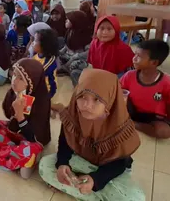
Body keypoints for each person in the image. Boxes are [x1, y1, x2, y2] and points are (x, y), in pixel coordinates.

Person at [40, 69, 144, 201]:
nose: (87, 105)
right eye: (82, 97)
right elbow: (65, 142)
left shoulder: (118, 124)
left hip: (110, 169)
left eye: (97, 100)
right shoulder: (72, 115)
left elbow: (119, 163)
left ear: (110, 101)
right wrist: (62, 164)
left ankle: (82, 189)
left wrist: (95, 180)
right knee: (45, 165)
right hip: (82, 159)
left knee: (136, 198)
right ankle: (86, 191)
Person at [0, 59, 51, 179]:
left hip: (31, 140)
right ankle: (8, 151)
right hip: (12, 132)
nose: (14, 80)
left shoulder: (41, 101)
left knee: (28, 151)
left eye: (21, 78)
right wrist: (14, 106)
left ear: (32, 82)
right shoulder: (13, 92)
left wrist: (20, 116)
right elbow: (8, 117)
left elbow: (33, 137)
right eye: (14, 74)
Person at [121, 40, 170, 139]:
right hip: (131, 111)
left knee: (163, 132)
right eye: (135, 54)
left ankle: (131, 124)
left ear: (154, 62)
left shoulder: (166, 82)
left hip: (153, 117)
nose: (134, 59)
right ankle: (127, 121)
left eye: (139, 56)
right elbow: (117, 91)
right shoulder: (129, 75)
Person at [59, 11, 92, 86]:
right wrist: (60, 52)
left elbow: (88, 52)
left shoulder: (84, 35)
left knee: (74, 65)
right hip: (69, 56)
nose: (66, 21)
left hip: (80, 59)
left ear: (75, 21)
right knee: (54, 56)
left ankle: (68, 70)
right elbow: (67, 46)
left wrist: (76, 56)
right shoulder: (69, 31)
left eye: (68, 19)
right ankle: (66, 69)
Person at [33, 29, 58, 98]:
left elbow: (40, 73)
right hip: (38, 85)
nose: (33, 43)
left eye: (35, 40)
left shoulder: (50, 60)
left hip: (47, 90)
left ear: (44, 44)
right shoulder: (36, 56)